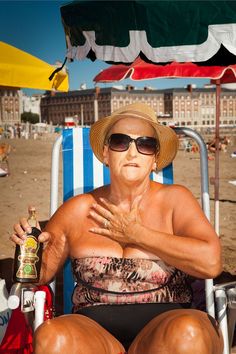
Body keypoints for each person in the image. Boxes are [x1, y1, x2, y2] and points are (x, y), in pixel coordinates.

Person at [11, 103, 223, 354]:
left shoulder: (175, 200)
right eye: (121, 141)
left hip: (165, 329)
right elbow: (41, 273)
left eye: (144, 144)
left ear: (155, 159)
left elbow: (211, 262)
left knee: (189, 333)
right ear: (105, 153)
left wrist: (138, 234)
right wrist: (29, 247)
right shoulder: (78, 209)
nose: (132, 152)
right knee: (52, 337)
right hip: (93, 332)